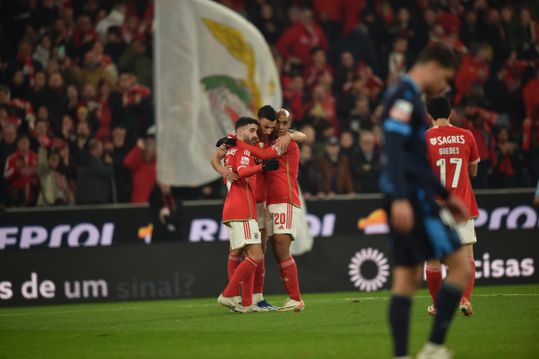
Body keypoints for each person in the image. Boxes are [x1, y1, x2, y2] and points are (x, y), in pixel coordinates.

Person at [379, 44, 471, 359]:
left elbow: (417, 159)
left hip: (411, 195)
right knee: (460, 267)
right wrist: (403, 198)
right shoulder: (404, 96)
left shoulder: (407, 96)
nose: (444, 87)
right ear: (433, 65)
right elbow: (394, 147)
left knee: (405, 279)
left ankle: (403, 355)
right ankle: (433, 348)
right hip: (414, 200)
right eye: (446, 77)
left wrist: (446, 196)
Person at [211, 105, 305, 310]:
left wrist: (292, 136)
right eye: (269, 125)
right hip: (250, 200)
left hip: (274, 199)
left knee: (268, 249)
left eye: (281, 125)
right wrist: (222, 171)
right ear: (258, 121)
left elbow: (299, 138)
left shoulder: (281, 140)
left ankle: (267, 298)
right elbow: (216, 156)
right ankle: (248, 299)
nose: (274, 129)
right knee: (247, 250)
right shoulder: (245, 132)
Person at [424, 96, 480, 318]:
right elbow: (473, 172)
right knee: (466, 257)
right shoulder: (467, 135)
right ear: (451, 113)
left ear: (429, 115)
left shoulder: (425, 139)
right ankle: (465, 299)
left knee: (433, 259)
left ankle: (438, 306)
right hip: (462, 205)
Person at [217, 116, 279, 313]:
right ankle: (228, 294)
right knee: (255, 255)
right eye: (251, 130)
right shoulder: (242, 149)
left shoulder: (232, 149)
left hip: (235, 208)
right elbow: (243, 171)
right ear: (240, 132)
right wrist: (263, 167)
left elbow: (221, 160)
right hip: (242, 209)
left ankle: (243, 303)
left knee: (239, 254)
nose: (255, 135)